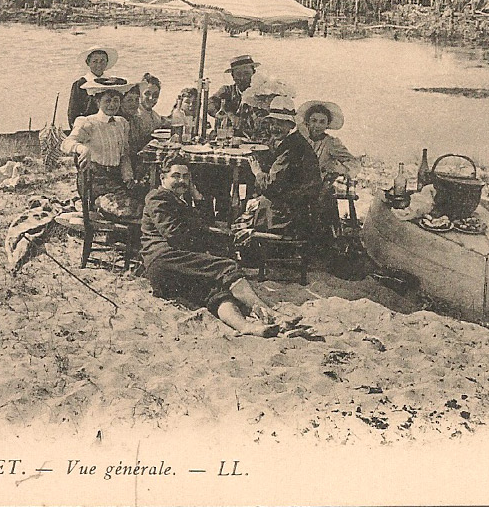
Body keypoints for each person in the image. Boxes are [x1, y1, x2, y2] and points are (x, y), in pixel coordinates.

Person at [141, 156, 281, 337]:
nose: (181, 181)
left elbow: (205, 221)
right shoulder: (158, 197)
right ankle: (269, 313)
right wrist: (207, 250)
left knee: (215, 292)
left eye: (185, 177)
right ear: (163, 178)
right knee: (227, 267)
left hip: (169, 272)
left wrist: (197, 196)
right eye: (175, 176)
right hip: (164, 258)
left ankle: (246, 327)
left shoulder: (179, 201)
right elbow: (175, 235)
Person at [245, 96, 327, 241]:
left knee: (246, 211)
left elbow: (272, 186)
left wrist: (257, 172)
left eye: (281, 123)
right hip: (300, 207)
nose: (275, 128)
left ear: (291, 125)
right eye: (273, 123)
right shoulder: (293, 141)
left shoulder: (291, 149)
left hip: (289, 214)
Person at [61, 82, 136, 214]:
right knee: (124, 210)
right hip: (95, 180)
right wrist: (83, 149)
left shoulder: (122, 123)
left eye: (116, 100)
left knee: (139, 202)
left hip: (116, 177)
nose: (112, 105)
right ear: (97, 102)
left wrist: (128, 175)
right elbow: (66, 143)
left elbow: (124, 153)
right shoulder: (88, 122)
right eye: (107, 101)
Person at [297, 101, 359, 182]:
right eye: (314, 120)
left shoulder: (331, 143)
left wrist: (338, 169)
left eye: (322, 122)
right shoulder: (300, 139)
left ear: (327, 124)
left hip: (319, 188)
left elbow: (353, 162)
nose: (317, 125)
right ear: (308, 122)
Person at [67, 45, 120, 128]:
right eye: (95, 61)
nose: (99, 65)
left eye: (102, 61)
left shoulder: (111, 82)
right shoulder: (80, 84)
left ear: (107, 62)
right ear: (88, 63)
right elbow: (72, 113)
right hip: (88, 126)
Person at [208, 54, 259, 119]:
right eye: (238, 74)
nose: (243, 78)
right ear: (233, 76)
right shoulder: (227, 90)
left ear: (254, 73)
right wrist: (219, 114)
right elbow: (210, 102)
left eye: (247, 73)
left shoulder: (261, 92)